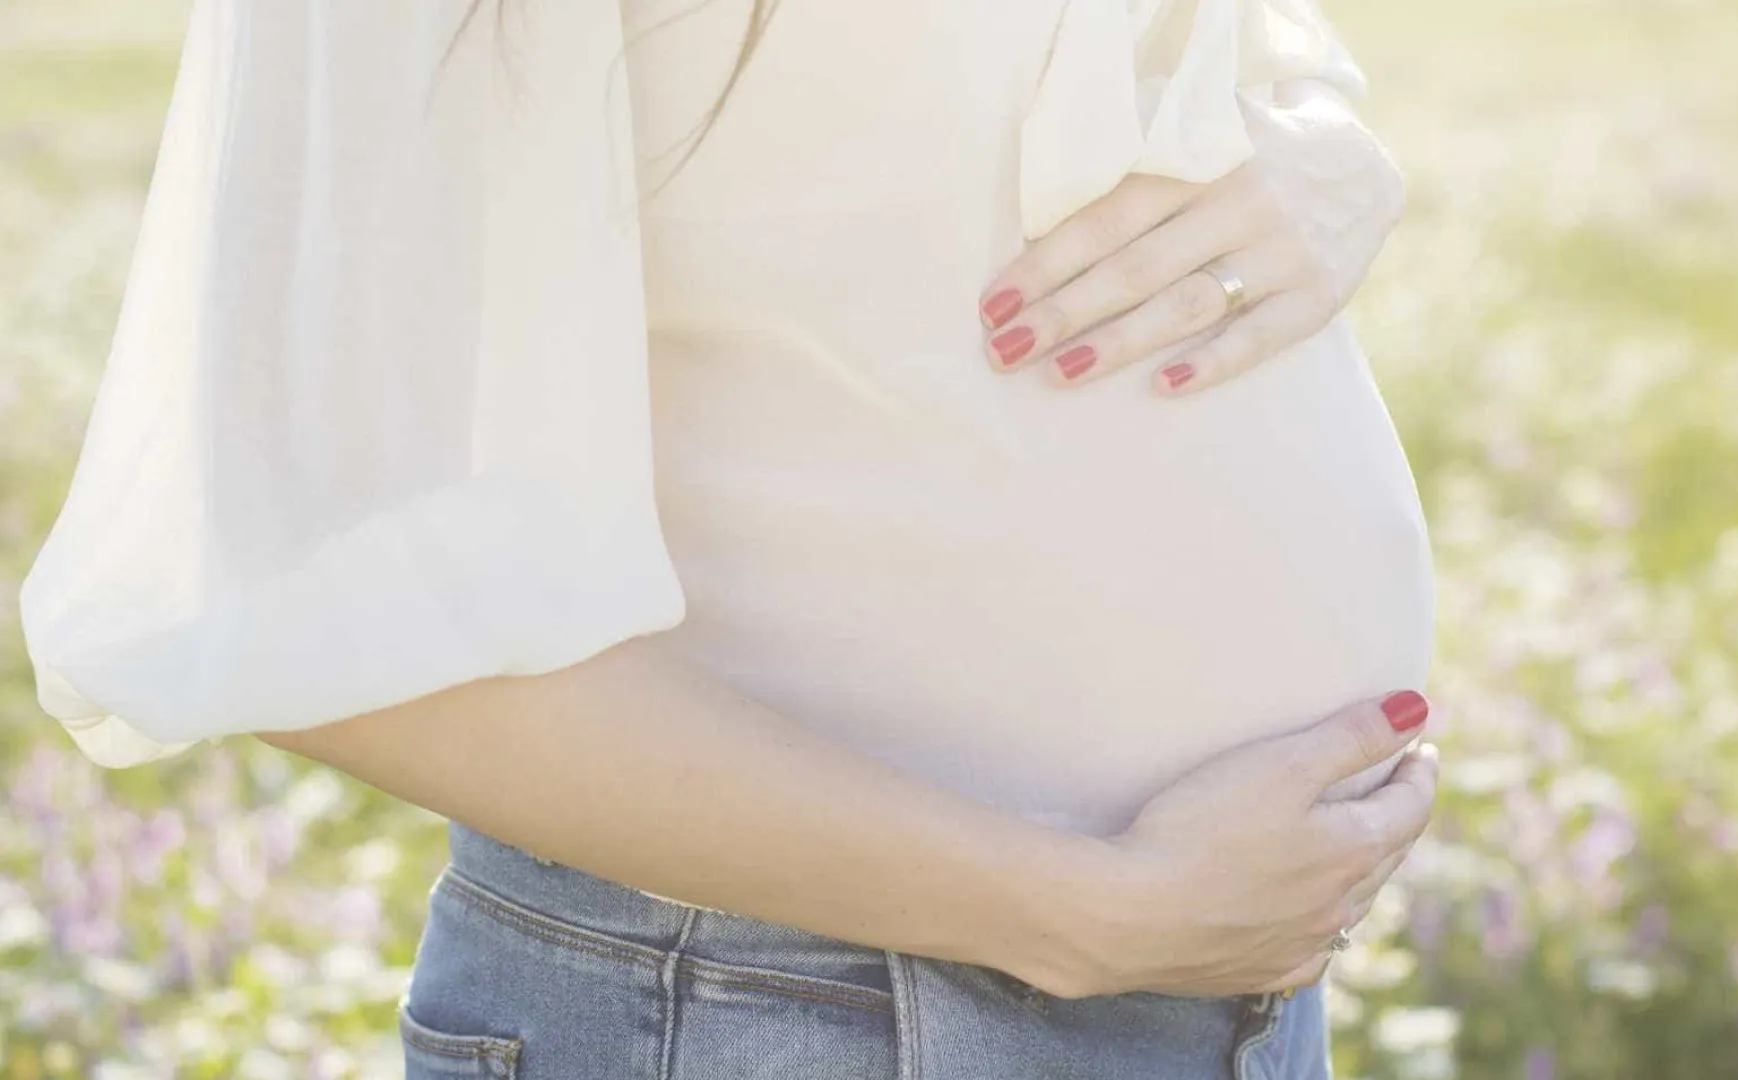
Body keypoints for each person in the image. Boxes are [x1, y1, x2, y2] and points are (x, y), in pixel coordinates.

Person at [18, 0, 1441, 1076]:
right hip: (783, 1008)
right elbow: (301, 596)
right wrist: (1069, 911)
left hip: (1204, 990)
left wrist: (1321, 142)